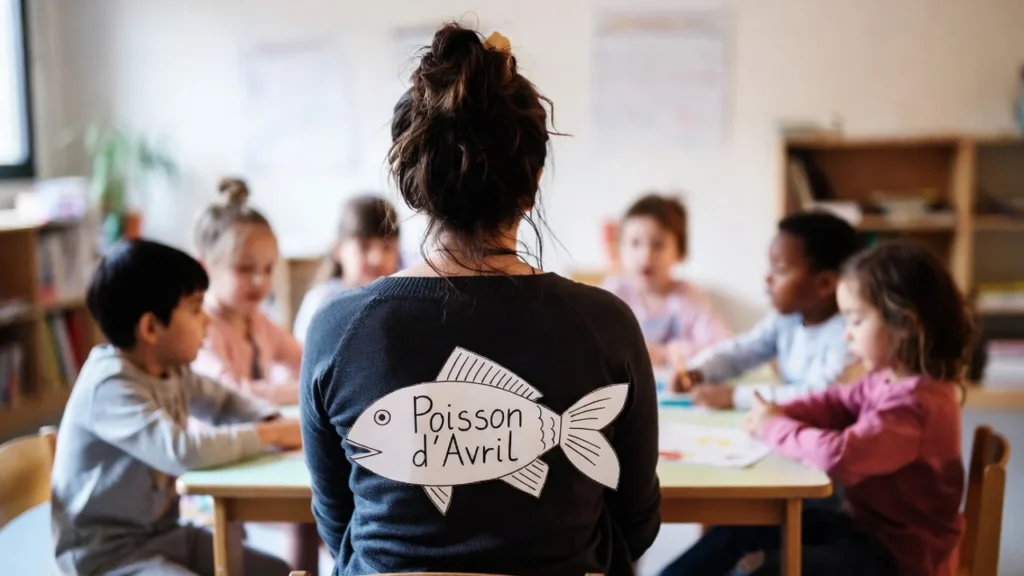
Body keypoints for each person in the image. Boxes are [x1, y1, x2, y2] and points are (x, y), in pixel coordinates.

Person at [300, 24, 661, 576]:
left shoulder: (337, 329)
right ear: (534, 180)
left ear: (413, 185)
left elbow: (336, 525)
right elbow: (636, 524)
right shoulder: (606, 325)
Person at [661, 241, 970, 576]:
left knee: (762, 570)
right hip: (864, 530)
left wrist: (772, 427)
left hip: (898, 557)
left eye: (855, 321)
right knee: (738, 531)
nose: (847, 336)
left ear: (904, 324)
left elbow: (840, 457)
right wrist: (778, 409)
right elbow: (834, 401)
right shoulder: (888, 379)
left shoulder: (916, 404)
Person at [51, 240, 300, 576]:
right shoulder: (109, 386)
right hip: (109, 557)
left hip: (165, 535)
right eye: (196, 309)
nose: (208, 322)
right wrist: (271, 433)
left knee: (279, 571)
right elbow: (182, 451)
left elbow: (224, 401)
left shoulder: (173, 369)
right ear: (151, 328)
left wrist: (268, 417)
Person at [190, 177, 319, 570]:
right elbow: (233, 392)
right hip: (209, 467)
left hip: (257, 448)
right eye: (245, 269)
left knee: (310, 509)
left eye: (267, 269)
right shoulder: (201, 327)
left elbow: (308, 361)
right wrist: (291, 389)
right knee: (232, 536)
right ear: (205, 266)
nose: (261, 282)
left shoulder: (257, 320)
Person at [682, 211, 862, 409]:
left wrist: (735, 396)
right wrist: (699, 370)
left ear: (825, 283)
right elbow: (744, 350)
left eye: (780, 269)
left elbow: (820, 394)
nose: (768, 279)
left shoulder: (849, 334)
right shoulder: (787, 319)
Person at [602, 194, 732, 381]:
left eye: (658, 245)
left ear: (680, 251)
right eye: (635, 243)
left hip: (677, 389)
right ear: (620, 249)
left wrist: (666, 353)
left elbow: (723, 345)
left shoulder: (689, 298)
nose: (646, 255)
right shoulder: (613, 294)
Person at [292, 195, 401, 342]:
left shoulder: (402, 303)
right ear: (338, 249)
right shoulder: (323, 301)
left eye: (387, 247)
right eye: (364, 247)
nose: (377, 259)